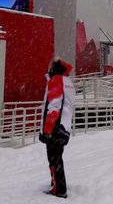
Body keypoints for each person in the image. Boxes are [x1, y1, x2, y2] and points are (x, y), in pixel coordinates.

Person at [39, 57, 74, 198]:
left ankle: (59, 189)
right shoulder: (68, 81)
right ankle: (58, 184)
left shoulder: (56, 80)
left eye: (51, 66)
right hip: (64, 125)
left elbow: (54, 105)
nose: (49, 68)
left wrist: (48, 129)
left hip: (55, 126)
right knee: (58, 157)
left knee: (53, 158)